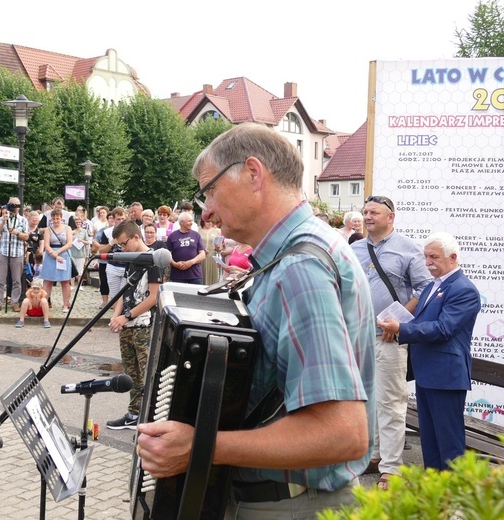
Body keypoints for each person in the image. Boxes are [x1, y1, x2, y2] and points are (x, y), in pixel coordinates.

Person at [136, 123, 376, 519]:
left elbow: (344, 434)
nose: (207, 211)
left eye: (209, 190)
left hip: (290, 504)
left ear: (253, 173)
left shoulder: (300, 268)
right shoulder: (296, 253)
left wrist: (200, 446)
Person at [377, 232, 480, 471]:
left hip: (446, 376)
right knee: (430, 439)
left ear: (453, 257)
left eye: (433, 257)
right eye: (425, 257)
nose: (427, 263)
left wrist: (401, 329)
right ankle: (433, 490)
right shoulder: (433, 286)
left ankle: (453, 497)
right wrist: (398, 324)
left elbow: (443, 329)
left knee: (449, 441)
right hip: (427, 373)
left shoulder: (464, 290)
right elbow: (422, 320)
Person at [351, 195, 432, 490]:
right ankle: (374, 456)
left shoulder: (409, 248)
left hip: (389, 336)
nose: (368, 216)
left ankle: (392, 467)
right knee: (366, 401)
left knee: (391, 401)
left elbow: (424, 289)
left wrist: (396, 321)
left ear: (391, 216)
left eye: (374, 212)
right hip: (360, 336)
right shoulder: (355, 248)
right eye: (365, 211)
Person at [106, 219, 162, 430]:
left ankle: (148, 416)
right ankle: (133, 413)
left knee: (146, 373)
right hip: (128, 324)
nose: (122, 248)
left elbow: (153, 298)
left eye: (123, 243)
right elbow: (124, 290)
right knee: (131, 373)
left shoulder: (154, 259)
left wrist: (126, 317)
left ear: (136, 237)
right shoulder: (133, 259)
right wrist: (116, 315)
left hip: (144, 325)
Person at [0, 198, 29, 313]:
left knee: (16, 280)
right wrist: (3, 222)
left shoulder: (23, 220)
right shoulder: (2, 218)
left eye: (16, 205)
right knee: (0, 280)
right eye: (12, 205)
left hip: (17, 252)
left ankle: (15, 302)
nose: (14, 207)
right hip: (4, 252)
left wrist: (16, 232)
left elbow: (26, 236)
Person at [42, 208, 73, 313]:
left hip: (63, 254)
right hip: (51, 255)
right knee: (47, 281)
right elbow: (46, 244)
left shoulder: (67, 228)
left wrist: (58, 252)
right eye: (54, 219)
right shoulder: (48, 229)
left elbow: (69, 243)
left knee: (65, 281)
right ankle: (44, 304)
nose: (55, 221)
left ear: (61, 218)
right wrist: (54, 255)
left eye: (57, 218)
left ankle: (65, 304)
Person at [165, 211, 206, 284]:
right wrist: (174, 264)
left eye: (192, 221)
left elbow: (202, 255)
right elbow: (167, 254)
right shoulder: (172, 236)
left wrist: (191, 262)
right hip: (177, 275)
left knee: (195, 295)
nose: (191, 223)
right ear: (182, 223)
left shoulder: (196, 235)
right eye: (189, 221)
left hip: (195, 275)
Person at [198, 217, 222, 285]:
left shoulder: (217, 231)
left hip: (212, 256)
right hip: (201, 256)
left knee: (212, 275)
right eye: (208, 221)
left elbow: (219, 249)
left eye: (212, 221)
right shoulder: (198, 230)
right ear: (203, 221)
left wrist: (218, 247)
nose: (210, 223)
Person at [70, 214, 91, 291]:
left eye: (79, 222)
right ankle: (72, 285)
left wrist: (81, 241)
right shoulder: (71, 231)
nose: (78, 224)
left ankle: (79, 285)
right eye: (77, 222)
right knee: (72, 269)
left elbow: (88, 242)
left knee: (80, 270)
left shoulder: (84, 231)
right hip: (72, 252)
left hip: (80, 253)